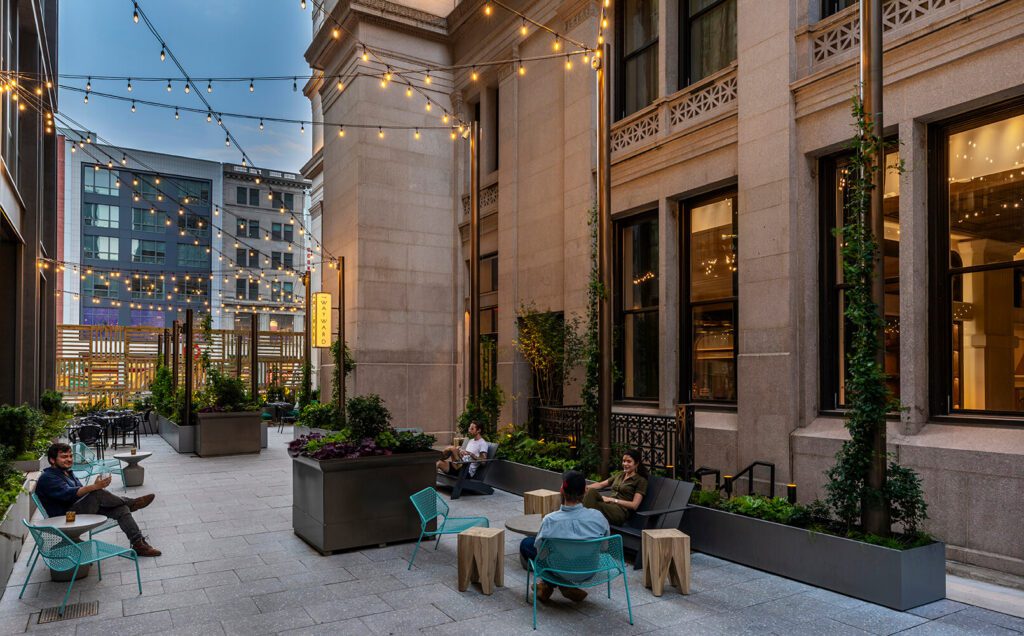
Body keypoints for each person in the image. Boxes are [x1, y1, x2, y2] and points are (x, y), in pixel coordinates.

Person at [35, 443, 162, 557]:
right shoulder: (48, 478)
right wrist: (94, 488)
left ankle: (139, 544)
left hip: (76, 511)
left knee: (121, 509)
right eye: (64, 457)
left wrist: (93, 488)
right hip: (65, 519)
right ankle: (131, 502)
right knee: (97, 493)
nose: (69, 459)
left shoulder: (67, 473)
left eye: (70, 456)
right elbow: (71, 494)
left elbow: (80, 493)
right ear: (52, 460)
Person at [520, 470, 609, 603]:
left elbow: (541, 555)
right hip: (589, 570)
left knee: (526, 544)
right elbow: (603, 547)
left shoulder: (550, 520)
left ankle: (555, 584)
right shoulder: (598, 517)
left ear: (561, 490)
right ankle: (559, 586)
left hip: (560, 569)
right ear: (585, 491)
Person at [583, 449, 649, 526]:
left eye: (629, 461)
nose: (625, 464)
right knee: (591, 491)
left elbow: (634, 505)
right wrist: (584, 487)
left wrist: (612, 500)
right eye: (624, 461)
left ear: (636, 463)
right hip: (608, 506)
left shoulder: (641, 480)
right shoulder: (620, 474)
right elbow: (601, 484)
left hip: (619, 512)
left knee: (593, 505)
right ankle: (584, 523)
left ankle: (582, 523)